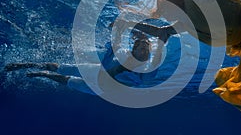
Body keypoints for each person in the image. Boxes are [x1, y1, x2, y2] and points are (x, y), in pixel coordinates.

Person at [4, 30, 164, 95]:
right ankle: (26, 64)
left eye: (147, 49)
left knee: (67, 81)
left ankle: (43, 74)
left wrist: (162, 39)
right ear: (134, 50)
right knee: (59, 68)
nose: (145, 52)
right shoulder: (122, 55)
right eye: (142, 48)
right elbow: (110, 54)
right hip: (96, 72)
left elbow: (156, 58)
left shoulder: (148, 72)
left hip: (100, 89)